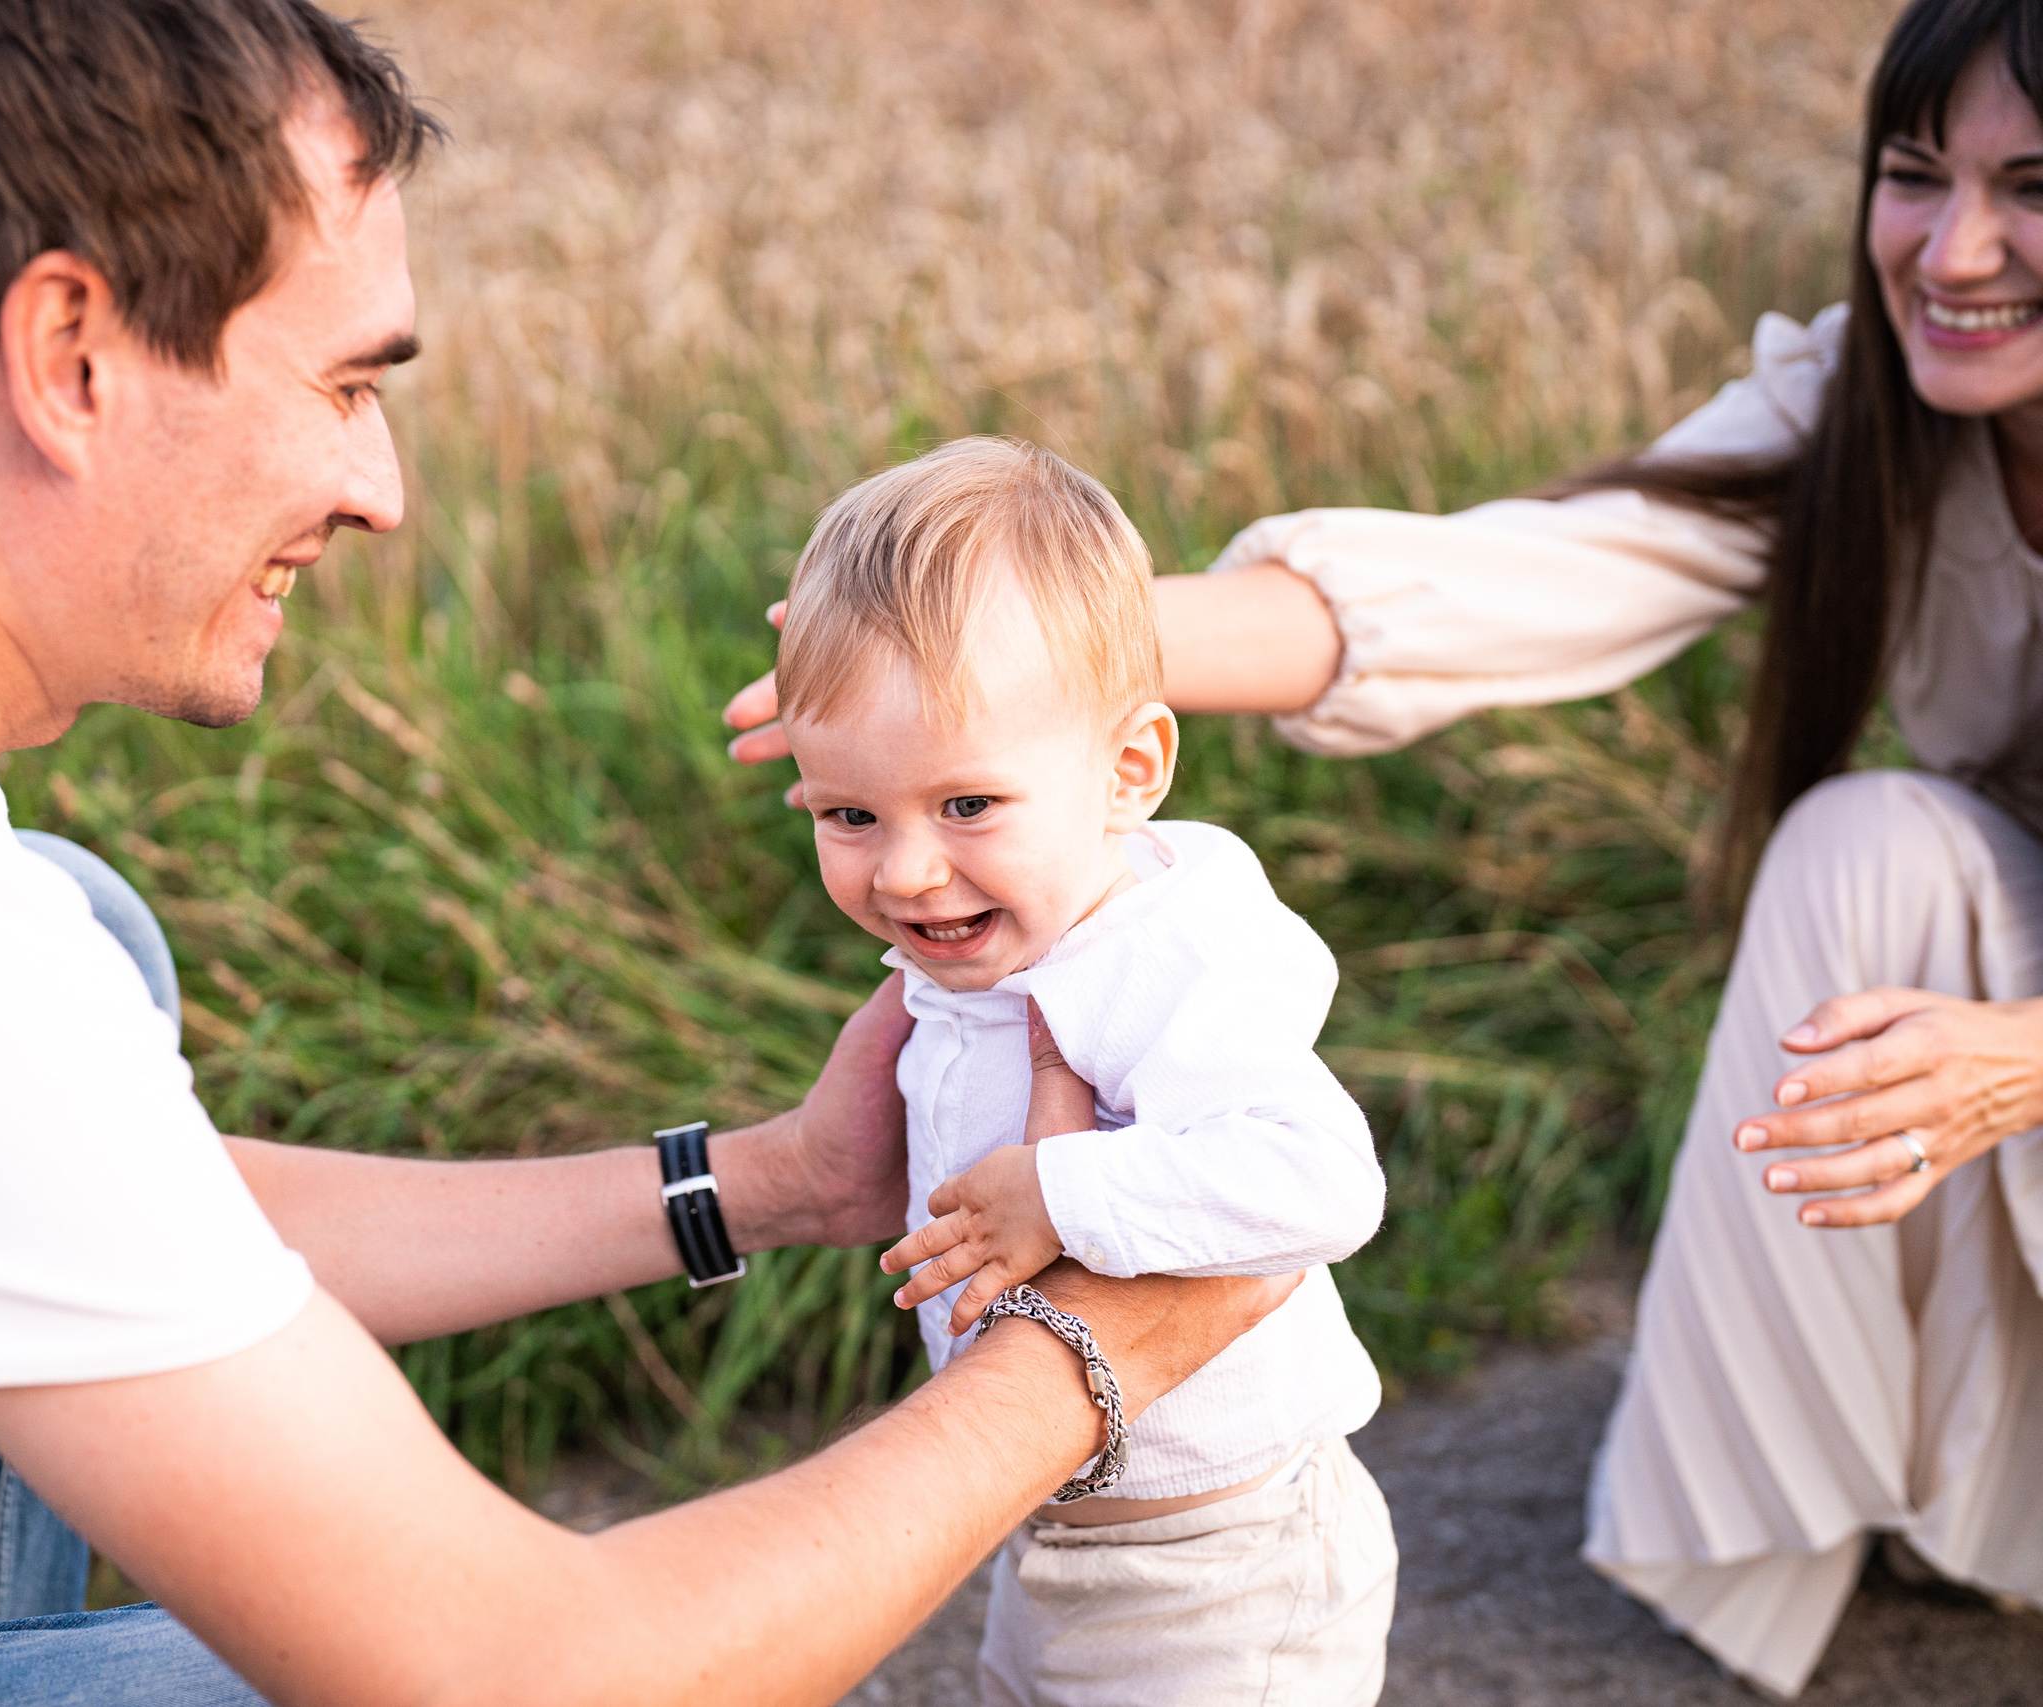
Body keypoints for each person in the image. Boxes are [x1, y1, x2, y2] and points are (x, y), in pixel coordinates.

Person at [0, 3, 1304, 1705]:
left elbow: (46, 1174)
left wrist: (766, 1182)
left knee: (75, 931)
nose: (383, 488)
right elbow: (530, 1673)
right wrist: (1085, 1359)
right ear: (70, 356)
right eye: (348, 385)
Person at [730, 0, 2043, 1695]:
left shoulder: (1189, 945)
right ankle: (1884, 1492)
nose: (1960, 248)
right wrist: (1004, 669)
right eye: (1916, 175)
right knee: (1869, 844)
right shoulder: (1865, 413)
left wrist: (2024, 1056)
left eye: (2033, 186)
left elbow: (1315, 1172)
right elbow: (1527, 579)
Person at [772, 438, 1396, 1705]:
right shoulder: (995, 936)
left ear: (1129, 773)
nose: (901, 872)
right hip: (1060, 1525)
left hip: (1224, 1566)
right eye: (850, 814)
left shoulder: (1166, 961)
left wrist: (1060, 1196)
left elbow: (1320, 1182)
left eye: (966, 806)